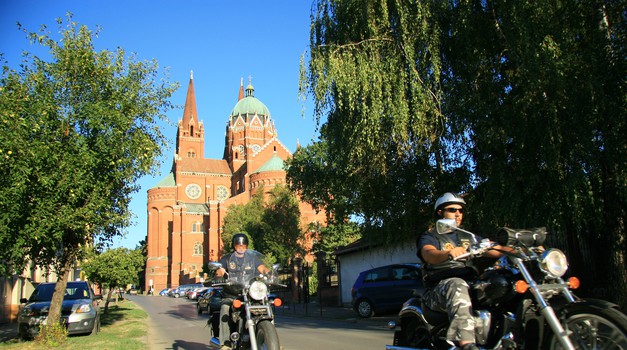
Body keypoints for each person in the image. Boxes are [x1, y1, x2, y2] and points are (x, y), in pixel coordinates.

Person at [416, 192, 508, 350]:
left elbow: (494, 249)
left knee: (503, 282)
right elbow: (428, 254)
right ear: (440, 212)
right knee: (457, 285)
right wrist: (448, 253)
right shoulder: (431, 236)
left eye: (461, 210)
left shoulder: (467, 236)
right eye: (452, 209)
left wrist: (520, 248)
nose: (458, 214)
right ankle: (466, 344)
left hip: (470, 282)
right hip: (440, 287)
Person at [214, 233, 269, 350]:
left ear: (246, 246)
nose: (241, 247)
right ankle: (225, 343)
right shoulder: (227, 258)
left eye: (243, 245)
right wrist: (220, 272)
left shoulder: (252, 259)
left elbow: (262, 268)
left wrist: (268, 272)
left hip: (250, 294)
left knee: (266, 305)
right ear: (234, 246)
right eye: (238, 245)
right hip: (232, 294)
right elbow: (220, 269)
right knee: (225, 308)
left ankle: (269, 338)